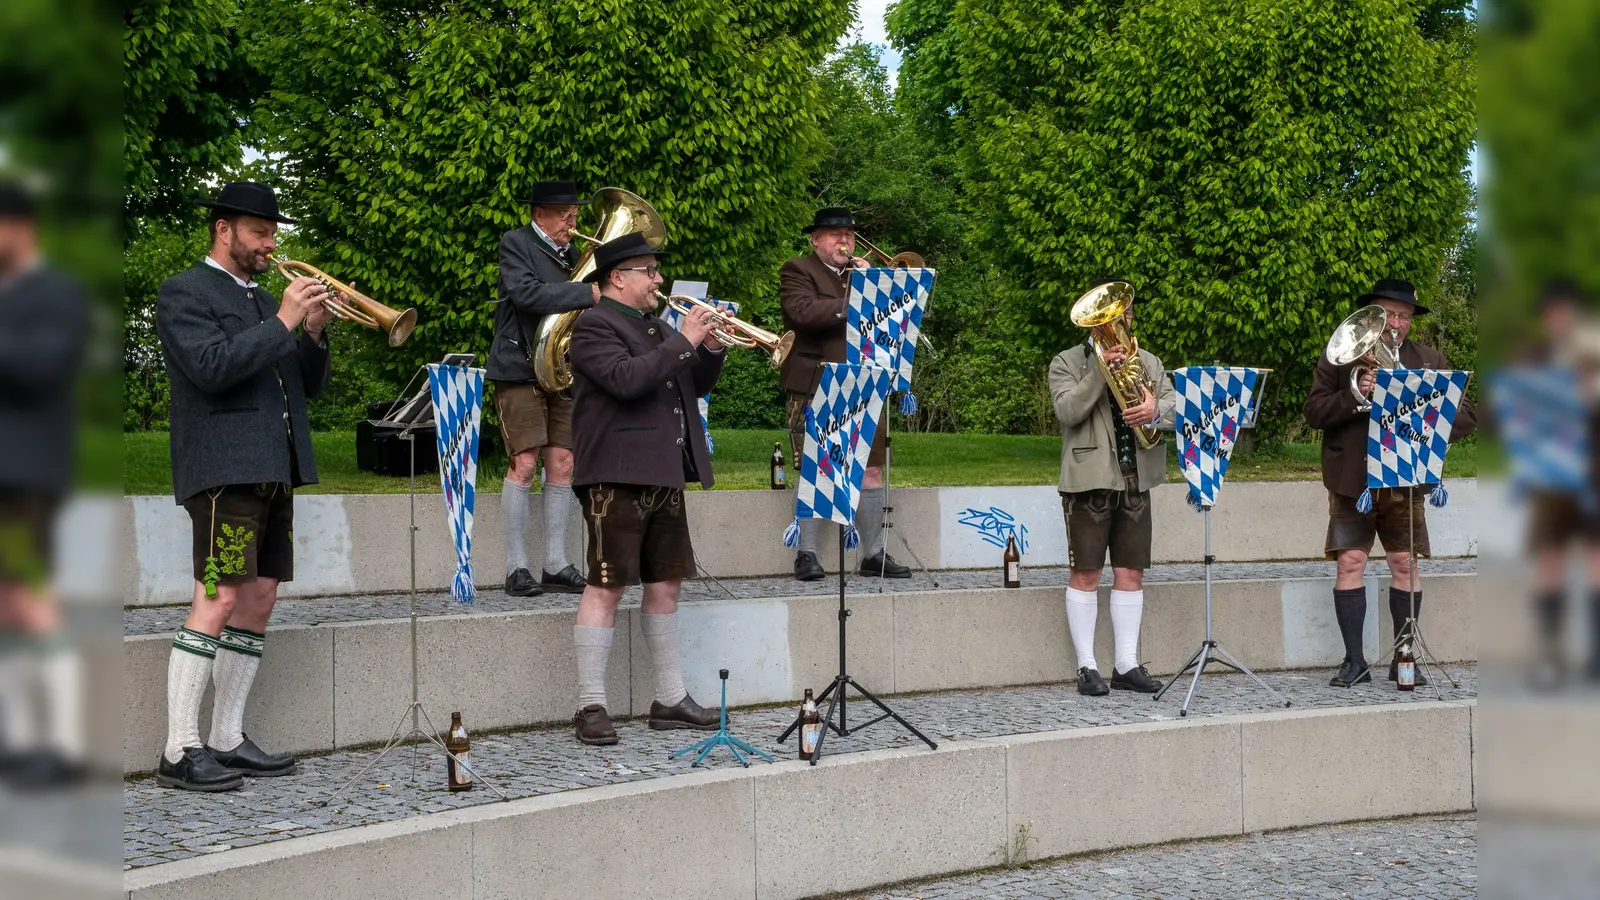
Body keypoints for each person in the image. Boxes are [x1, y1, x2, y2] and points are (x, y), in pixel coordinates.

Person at [153, 182, 335, 790]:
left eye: (273, 232)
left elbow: (304, 387)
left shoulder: (263, 298)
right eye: (259, 232)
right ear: (223, 230)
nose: (270, 243)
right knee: (220, 595)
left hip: (271, 468)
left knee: (259, 598)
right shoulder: (185, 292)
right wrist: (284, 318)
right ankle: (178, 748)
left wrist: (309, 333)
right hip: (223, 471)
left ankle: (227, 736)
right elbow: (212, 369)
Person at [565, 232, 727, 745]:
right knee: (607, 584)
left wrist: (711, 350)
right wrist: (685, 341)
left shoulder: (658, 326)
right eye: (649, 271)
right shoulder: (592, 326)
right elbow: (626, 380)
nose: (658, 280)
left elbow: (690, 384)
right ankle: (590, 704)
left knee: (665, 584)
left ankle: (669, 698)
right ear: (619, 276)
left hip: (663, 470)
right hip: (615, 472)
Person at [1304, 278, 1477, 688]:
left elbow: (1468, 417)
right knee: (1350, 562)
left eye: (1404, 316)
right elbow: (1313, 412)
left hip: (1406, 480)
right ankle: (1353, 662)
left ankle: (1405, 658)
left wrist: (1423, 406)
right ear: (1371, 318)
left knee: (1405, 563)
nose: (1396, 324)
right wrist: (1356, 394)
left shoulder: (1429, 360)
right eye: (1387, 315)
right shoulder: (1341, 360)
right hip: (1354, 481)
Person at [0, 182, 91, 786]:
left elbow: (42, 369)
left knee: (34, 602)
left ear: (20, 225)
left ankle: (62, 744)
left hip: (27, 471)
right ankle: (17, 741)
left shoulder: (58, 292)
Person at [1047, 281, 1174, 696]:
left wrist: (1158, 410)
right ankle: (1086, 666)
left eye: (1126, 316)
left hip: (1137, 476)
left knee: (1130, 572)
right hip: (1089, 479)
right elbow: (1068, 411)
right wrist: (1101, 374)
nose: (1121, 323)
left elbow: (1176, 408)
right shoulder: (1066, 362)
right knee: (1085, 571)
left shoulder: (1150, 362)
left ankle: (1126, 663)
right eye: (1112, 319)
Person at [778, 207, 905, 582]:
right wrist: (859, 296)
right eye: (835, 235)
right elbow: (802, 313)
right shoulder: (798, 269)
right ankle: (807, 555)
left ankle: (874, 553)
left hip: (866, 383)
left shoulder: (864, 275)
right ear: (815, 240)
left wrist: (878, 287)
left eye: (849, 234)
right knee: (817, 467)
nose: (844, 241)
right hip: (817, 382)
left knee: (872, 468)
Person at [489, 180, 598, 597]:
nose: (573, 220)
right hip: (519, 365)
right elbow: (526, 293)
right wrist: (587, 292)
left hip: (560, 369)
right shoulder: (515, 243)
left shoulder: (572, 254)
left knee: (563, 463)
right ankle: (516, 568)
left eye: (574, 213)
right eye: (564, 214)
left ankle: (555, 563)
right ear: (539, 215)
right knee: (525, 462)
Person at [1519, 280, 1600, 685]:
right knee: (1549, 561)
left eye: (1564, 310)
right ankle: (1549, 653)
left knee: (1596, 561)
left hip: (1593, 473)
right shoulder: (1534, 357)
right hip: (1549, 477)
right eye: (1551, 312)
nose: (1557, 318)